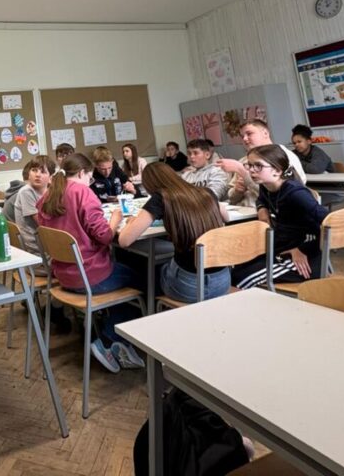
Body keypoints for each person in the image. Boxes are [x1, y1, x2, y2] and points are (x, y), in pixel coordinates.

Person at [36, 153, 145, 373]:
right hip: (91, 276)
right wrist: (115, 220)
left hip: (64, 275)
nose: (90, 181)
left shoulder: (48, 196)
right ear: (82, 173)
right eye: (90, 177)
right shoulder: (83, 193)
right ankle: (109, 338)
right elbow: (104, 237)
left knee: (125, 281)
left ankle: (112, 332)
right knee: (145, 281)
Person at [118, 162, 230, 302]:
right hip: (222, 282)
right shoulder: (206, 192)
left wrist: (132, 222)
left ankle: (146, 309)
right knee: (167, 259)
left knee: (145, 269)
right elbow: (226, 217)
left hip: (189, 287)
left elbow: (124, 241)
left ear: (150, 185)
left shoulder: (161, 197)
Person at [232, 145, 329, 289]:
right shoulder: (266, 185)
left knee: (241, 279)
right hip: (283, 246)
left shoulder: (295, 193)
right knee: (236, 267)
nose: (251, 170)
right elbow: (261, 199)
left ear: (277, 171)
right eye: (250, 165)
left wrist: (301, 249)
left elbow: (329, 222)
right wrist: (262, 209)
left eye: (258, 166)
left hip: (307, 257)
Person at [218, 119, 306, 207]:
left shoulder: (283, 156)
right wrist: (237, 191)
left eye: (249, 134)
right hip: (241, 211)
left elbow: (284, 196)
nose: (244, 139)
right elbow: (232, 198)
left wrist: (242, 171)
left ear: (265, 133)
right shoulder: (244, 160)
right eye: (242, 136)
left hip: (267, 212)